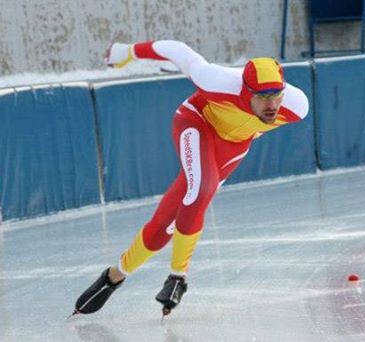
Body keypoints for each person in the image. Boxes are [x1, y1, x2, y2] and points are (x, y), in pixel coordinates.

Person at [73, 40, 309, 317]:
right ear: (246, 92)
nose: (271, 105)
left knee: (166, 226)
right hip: (196, 122)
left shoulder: (296, 106)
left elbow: (260, 118)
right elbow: (176, 49)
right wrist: (127, 53)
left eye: (276, 95)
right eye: (262, 96)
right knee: (200, 188)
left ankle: (113, 277)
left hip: (231, 148)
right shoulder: (215, 81)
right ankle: (178, 277)